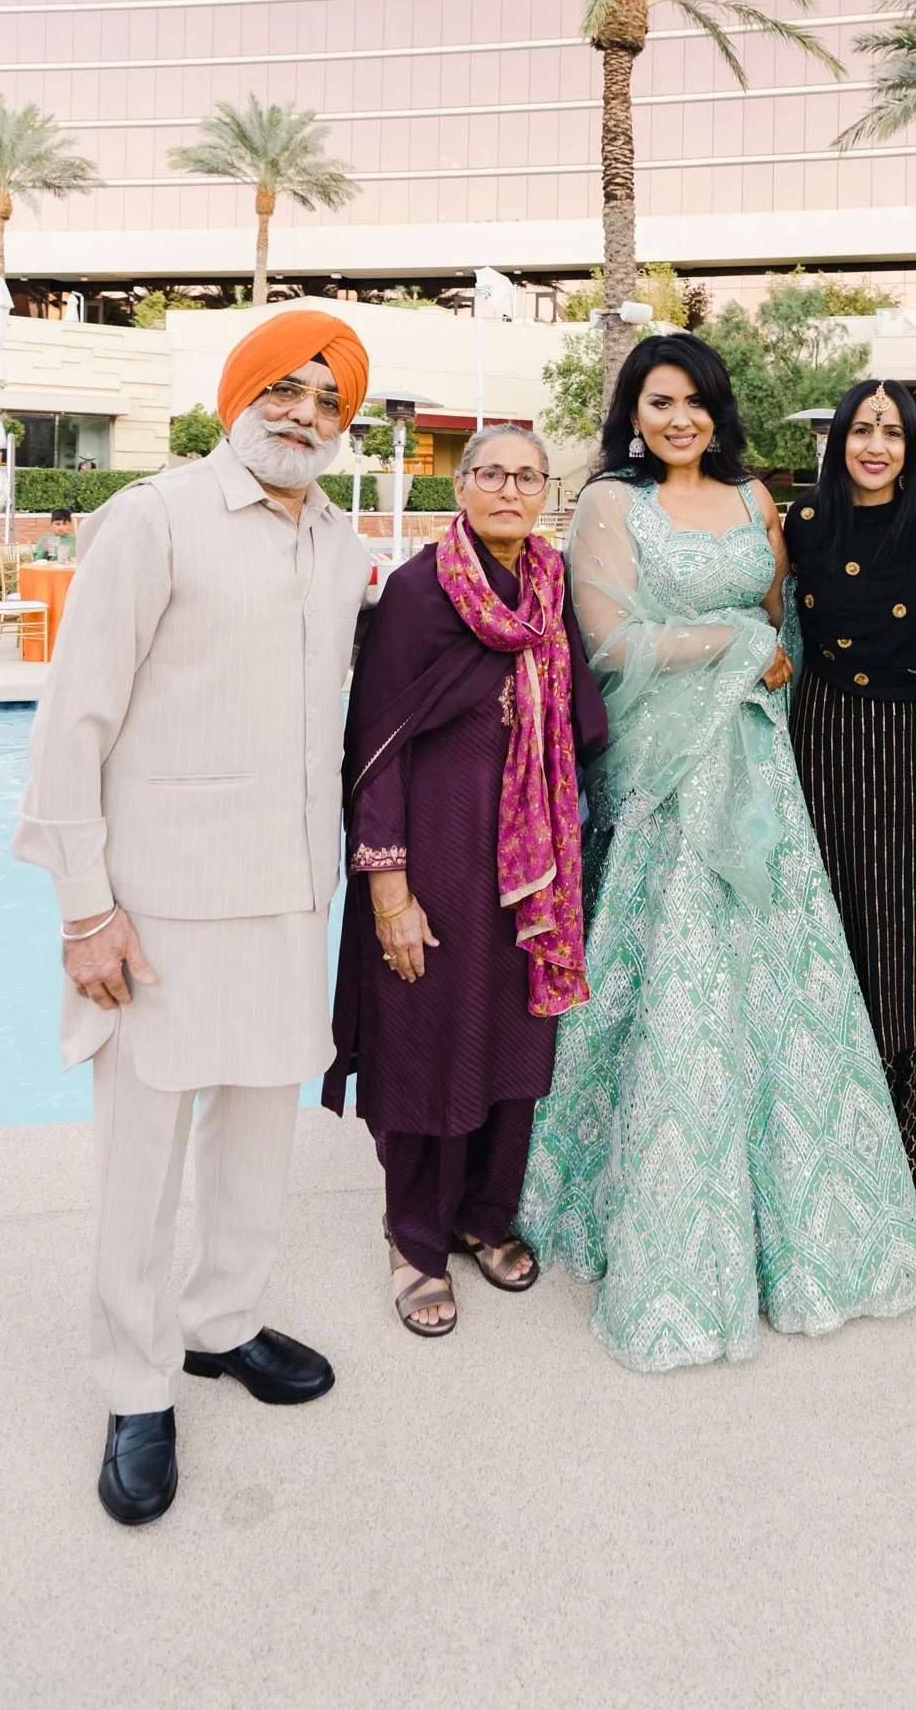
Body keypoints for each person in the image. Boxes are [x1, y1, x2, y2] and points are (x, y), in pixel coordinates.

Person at [14, 308, 372, 1526]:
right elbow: (74, 718)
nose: (304, 414)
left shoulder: (341, 541)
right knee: (141, 1150)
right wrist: (85, 910)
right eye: (285, 389)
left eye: (328, 400)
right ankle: (134, 1382)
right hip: (158, 901)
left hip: (289, 890)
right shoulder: (155, 517)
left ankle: (222, 1321)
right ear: (240, 396)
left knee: (261, 1126)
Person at [517, 334, 916, 1369]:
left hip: (757, 766)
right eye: (658, 402)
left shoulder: (755, 499)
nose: (678, 420)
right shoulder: (609, 503)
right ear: (631, 413)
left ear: (717, 411)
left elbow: (781, 619)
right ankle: (666, 1234)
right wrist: (738, 647)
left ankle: (810, 1231)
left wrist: (764, 657)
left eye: (694, 402)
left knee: (782, 989)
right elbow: (609, 642)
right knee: (679, 988)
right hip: (665, 778)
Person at [323, 428, 606, 1335]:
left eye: (527, 476)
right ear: (461, 485)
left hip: (529, 867)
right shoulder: (418, 592)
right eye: (491, 474)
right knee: (425, 1044)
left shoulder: (549, 585)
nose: (509, 490)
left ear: (545, 491)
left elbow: (580, 720)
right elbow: (372, 750)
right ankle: (413, 1239)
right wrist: (388, 889)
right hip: (435, 857)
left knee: (515, 1041)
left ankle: (485, 1215)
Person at [785, 378, 916, 1227]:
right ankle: (826, 1169)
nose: (875, 446)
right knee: (825, 943)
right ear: (838, 439)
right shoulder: (800, 523)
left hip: (912, 749)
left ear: (911, 448)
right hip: (822, 743)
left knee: (915, 952)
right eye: (861, 429)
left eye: (892, 433)